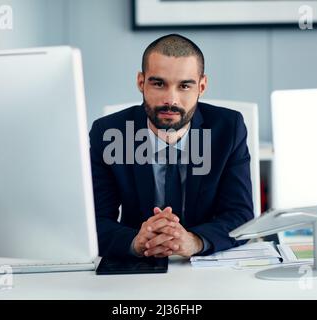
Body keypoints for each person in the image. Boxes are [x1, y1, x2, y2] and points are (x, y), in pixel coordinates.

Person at [89, 34, 253, 258]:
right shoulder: (108, 133)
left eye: (184, 86)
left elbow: (240, 215)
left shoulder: (229, 128)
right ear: (141, 82)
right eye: (158, 84)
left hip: (205, 267)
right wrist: (135, 241)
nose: (171, 99)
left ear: (202, 86)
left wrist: (194, 241)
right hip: (138, 267)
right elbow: (94, 221)